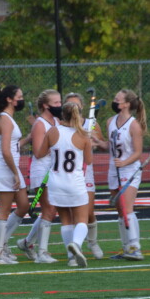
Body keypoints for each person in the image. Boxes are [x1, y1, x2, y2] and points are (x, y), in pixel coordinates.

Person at [34, 101, 93, 268]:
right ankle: (76, 244)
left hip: (56, 182)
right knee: (81, 220)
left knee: (66, 220)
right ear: (78, 115)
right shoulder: (84, 135)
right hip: (74, 182)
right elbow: (88, 161)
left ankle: (71, 258)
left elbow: (39, 153)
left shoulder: (53, 131)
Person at [93, 89, 147, 261]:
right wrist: (96, 140)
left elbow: (138, 152)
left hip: (129, 170)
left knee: (127, 208)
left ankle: (135, 248)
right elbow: (109, 145)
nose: (114, 102)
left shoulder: (134, 125)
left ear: (126, 104)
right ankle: (126, 248)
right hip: (113, 170)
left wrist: (124, 162)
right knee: (120, 210)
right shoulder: (110, 121)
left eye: (118, 99)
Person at [0, 85, 32, 264]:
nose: (21, 100)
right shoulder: (5, 119)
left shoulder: (8, 119)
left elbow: (12, 146)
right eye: (19, 97)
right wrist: (15, 173)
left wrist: (28, 138)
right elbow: (5, 151)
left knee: (23, 206)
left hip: (11, 167)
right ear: (9, 99)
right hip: (5, 168)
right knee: (4, 209)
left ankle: (2, 244)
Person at [16, 89, 61, 264]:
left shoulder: (57, 121)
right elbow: (38, 152)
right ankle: (42, 253)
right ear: (45, 105)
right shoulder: (40, 124)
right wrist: (59, 147)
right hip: (42, 171)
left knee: (51, 211)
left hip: (55, 170)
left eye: (59, 102)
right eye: (56, 103)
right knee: (49, 210)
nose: (59, 105)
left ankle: (27, 243)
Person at [64, 92, 105, 259]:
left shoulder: (91, 123)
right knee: (72, 213)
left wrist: (91, 138)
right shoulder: (62, 124)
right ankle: (75, 249)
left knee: (88, 211)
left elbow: (101, 143)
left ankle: (93, 242)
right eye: (70, 104)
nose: (74, 107)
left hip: (86, 173)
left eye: (76, 104)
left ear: (81, 107)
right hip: (68, 174)